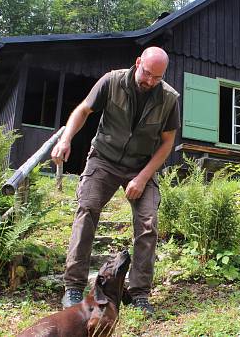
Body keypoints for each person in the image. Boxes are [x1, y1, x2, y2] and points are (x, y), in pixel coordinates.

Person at [51, 46, 180, 315]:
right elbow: (83, 110)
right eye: (146, 74)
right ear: (137, 63)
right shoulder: (111, 81)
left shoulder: (168, 99)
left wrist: (143, 177)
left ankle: (139, 293)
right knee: (87, 209)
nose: (150, 82)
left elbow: (167, 143)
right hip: (104, 159)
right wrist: (65, 139)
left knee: (148, 223)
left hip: (141, 166)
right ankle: (73, 286)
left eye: (157, 77)